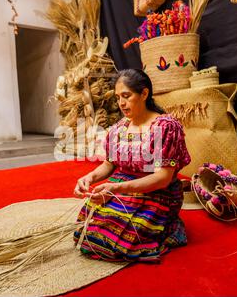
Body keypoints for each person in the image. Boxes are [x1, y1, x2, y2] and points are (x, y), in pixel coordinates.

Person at [73, 69, 191, 263]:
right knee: (89, 232)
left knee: (121, 240)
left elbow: (163, 178)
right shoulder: (119, 128)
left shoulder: (165, 127)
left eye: (126, 96)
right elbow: (109, 164)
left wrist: (117, 188)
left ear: (144, 94)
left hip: (156, 191)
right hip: (122, 187)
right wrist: (89, 178)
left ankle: (169, 225)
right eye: (118, 97)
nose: (121, 103)